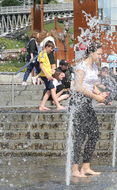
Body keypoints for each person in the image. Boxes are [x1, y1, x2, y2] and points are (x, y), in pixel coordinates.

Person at [70, 43, 107, 177]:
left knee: (94, 133)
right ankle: (74, 169)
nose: (100, 56)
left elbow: (91, 85)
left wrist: (100, 93)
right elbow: (78, 87)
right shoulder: (82, 67)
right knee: (80, 135)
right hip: (78, 103)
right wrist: (95, 97)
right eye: (99, 53)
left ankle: (86, 166)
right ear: (91, 53)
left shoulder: (94, 66)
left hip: (87, 103)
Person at [38, 41, 67, 111]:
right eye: (51, 48)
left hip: (47, 75)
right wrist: (47, 75)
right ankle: (58, 105)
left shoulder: (45, 54)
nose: (51, 50)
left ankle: (42, 106)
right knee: (53, 89)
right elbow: (41, 65)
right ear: (47, 47)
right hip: (45, 75)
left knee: (49, 90)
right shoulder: (42, 54)